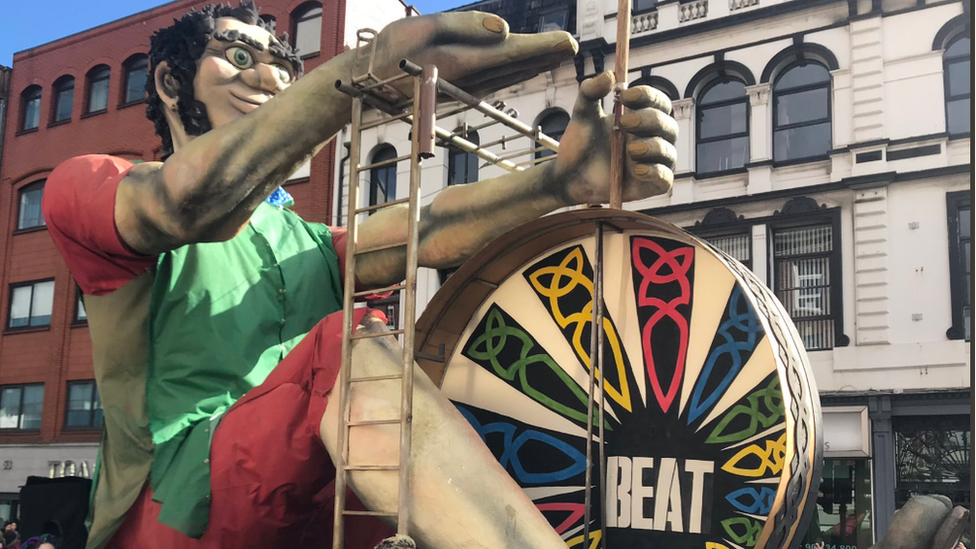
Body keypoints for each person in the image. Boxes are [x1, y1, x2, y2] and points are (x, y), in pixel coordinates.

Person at [42, 2, 677, 548]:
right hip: (181, 504)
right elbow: (185, 204)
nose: (268, 77)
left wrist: (559, 182)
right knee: (344, 344)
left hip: (308, 502)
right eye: (237, 56)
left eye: (284, 69)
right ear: (170, 83)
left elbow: (425, 230)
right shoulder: (91, 185)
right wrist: (355, 73)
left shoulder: (307, 241)